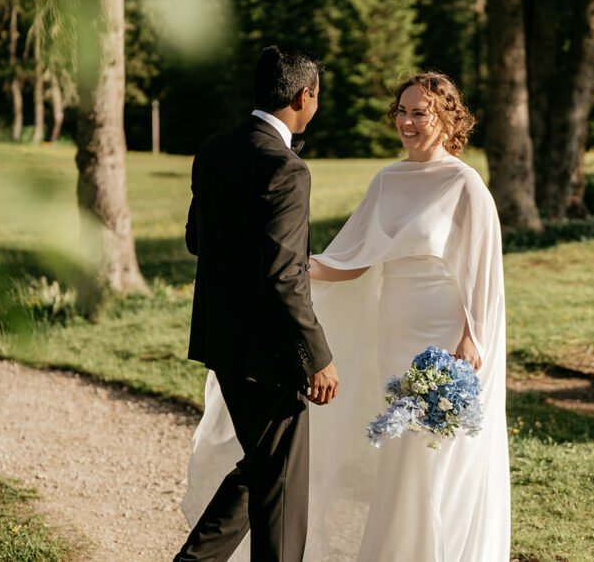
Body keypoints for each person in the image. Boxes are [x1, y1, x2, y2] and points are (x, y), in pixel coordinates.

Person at [184, 71, 510, 561]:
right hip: (397, 340)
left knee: (443, 462)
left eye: (419, 112)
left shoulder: (467, 186)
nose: (406, 121)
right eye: (401, 111)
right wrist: (281, 266)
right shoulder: (388, 180)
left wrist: (472, 340)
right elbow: (350, 259)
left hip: (448, 341)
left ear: (446, 118)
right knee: (403, 462)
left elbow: (484, 277)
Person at [175, 45, 339, 562]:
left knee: (265, 469)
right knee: (281, 487)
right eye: (317, 93)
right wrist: (317, 356)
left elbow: (195, 240)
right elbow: (285, 275)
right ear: (303, 94)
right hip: (268, 354)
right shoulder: (287, 168)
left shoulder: (215, 148)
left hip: (221, 342)